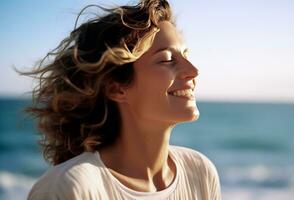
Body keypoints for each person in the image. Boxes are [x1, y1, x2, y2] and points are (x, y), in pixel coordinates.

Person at [22, 0, 221, 199]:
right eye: (167, 59)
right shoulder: (71, 188)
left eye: (186, 55)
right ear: (117, 88)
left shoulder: (200, 173)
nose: (193, 71)